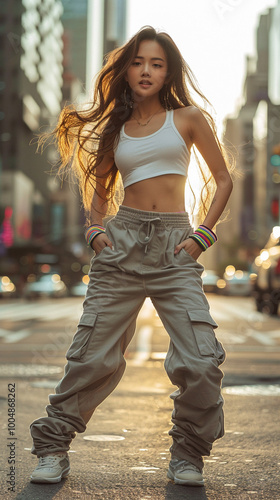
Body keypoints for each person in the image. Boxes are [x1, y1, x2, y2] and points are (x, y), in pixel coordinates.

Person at [30, 26, 233, 487]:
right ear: (126, 69)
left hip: (176, 248)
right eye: (139, 62)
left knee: (201, 361)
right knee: (90, 358)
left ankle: (187, 455)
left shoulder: (188, 118)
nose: (146, 70)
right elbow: (98, 191)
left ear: (168, 72)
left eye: (157, 64)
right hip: (121, 248)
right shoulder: (115, 129)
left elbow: (223, 179)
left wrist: (202, 235)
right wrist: (96, 230)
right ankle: (52, 447)